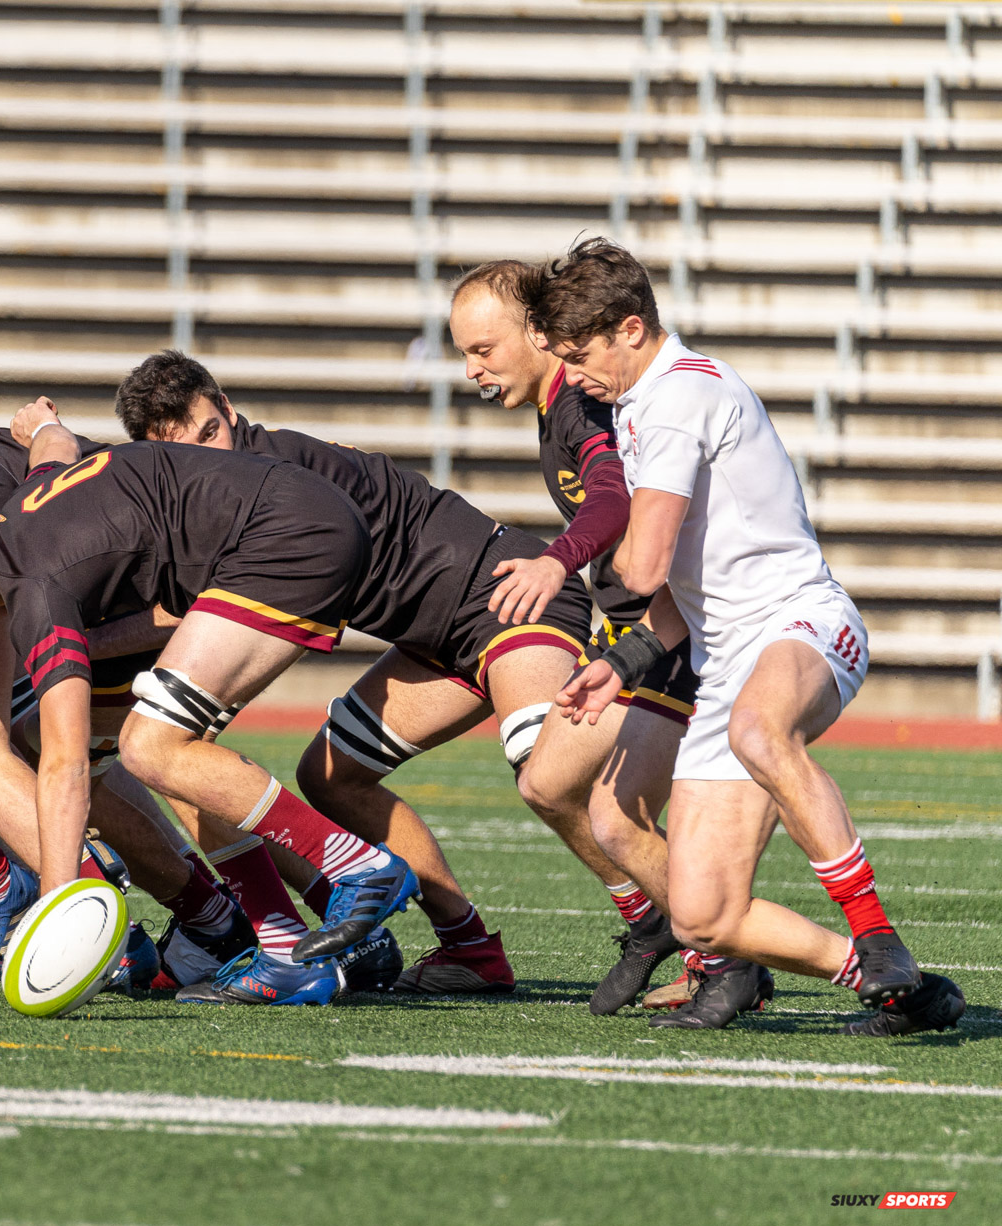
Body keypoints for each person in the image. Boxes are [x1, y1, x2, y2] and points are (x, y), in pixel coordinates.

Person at [535, 237, 964, 1036]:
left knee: (759, 730)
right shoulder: (635, 407)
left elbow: (646, 564)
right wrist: (623, 660)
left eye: (580, 352)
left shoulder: (680, 396)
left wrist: (574, 553)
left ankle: (876, 932)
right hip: (724, 654)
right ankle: (899, 990)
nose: (572, 373)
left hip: (803, 618)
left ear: (631, 329)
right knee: (703, 918)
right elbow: (685, 594)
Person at [0, 440, 420, 1006]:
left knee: (152, 747)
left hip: (287, 536)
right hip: (275, 531)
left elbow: (65, 762)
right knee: (72, 743)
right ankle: (281, 944)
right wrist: (45, 425)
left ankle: (355, 866)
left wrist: (57, 904)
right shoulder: (16, 524)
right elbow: (55, 458)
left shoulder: (32, 583)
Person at [113, 353, 598, 997]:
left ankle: (704, 937)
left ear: (229, 410)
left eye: (210, 432)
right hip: (433, 641)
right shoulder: (227, 493)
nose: (207, 453)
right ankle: (471, 947)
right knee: (331, 777)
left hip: (505, 598)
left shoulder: (275, 482)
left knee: (550, 775)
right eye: (183, 451)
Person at [450, 259, 695, 1013]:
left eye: (482, 349)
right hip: (630, 630)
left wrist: (557, 564)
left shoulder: (583, 404)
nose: (472, 371)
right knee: (554, 784)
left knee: (616, 808)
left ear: (537, 333)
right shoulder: (562, 401)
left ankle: (720, 952)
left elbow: (614, 502)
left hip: (671, 632)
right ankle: (668, 930)